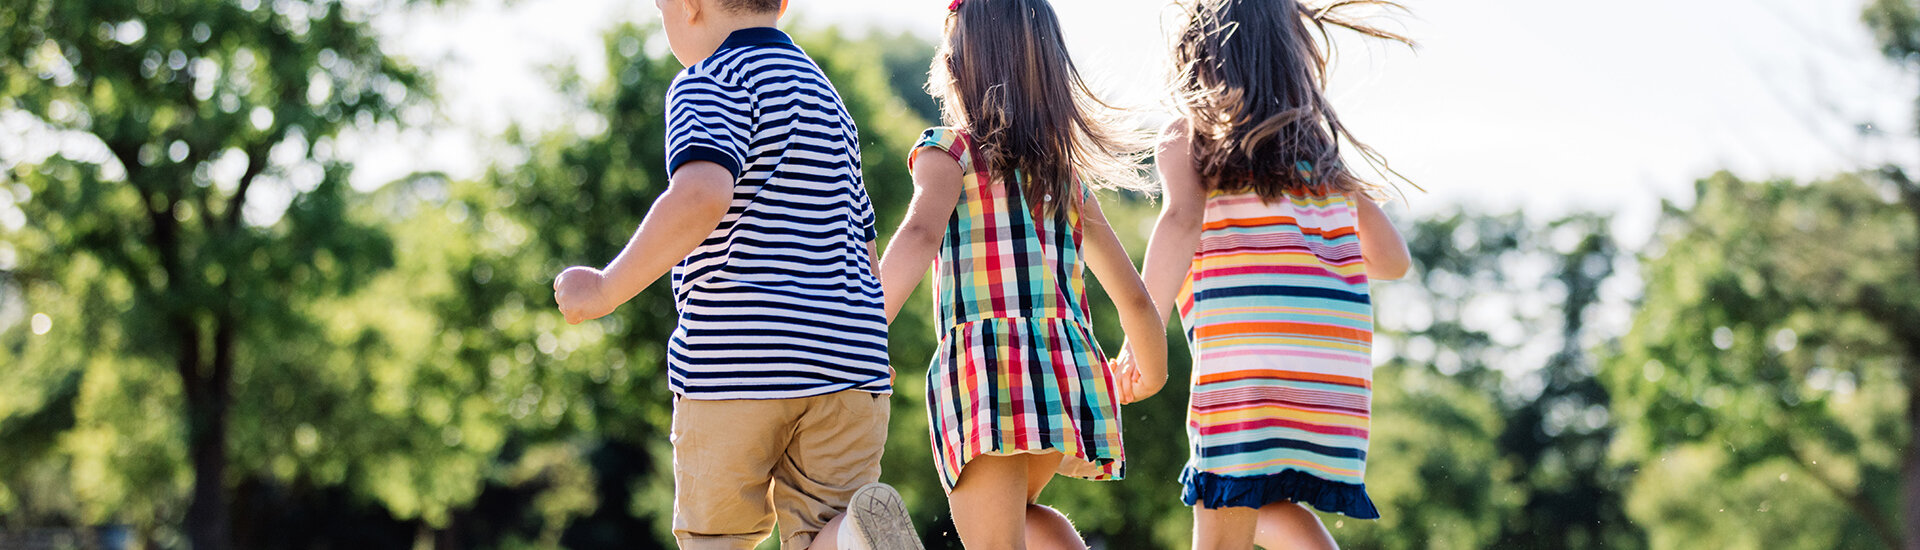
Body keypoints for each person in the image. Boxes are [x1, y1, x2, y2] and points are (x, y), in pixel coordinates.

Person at [551, 0, 919, 548]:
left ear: (688, 5)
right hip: (850, 364)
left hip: (737, 359)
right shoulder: (826, 97)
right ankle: (850, 536)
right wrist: (865, 340)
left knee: (714, 536)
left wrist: (605, 288)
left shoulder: (709, 79)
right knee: (823, 528)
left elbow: (701, 194)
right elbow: (859, 235)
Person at [1115, 0, 1415, 548]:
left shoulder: (1191, 137)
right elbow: (1393, 260)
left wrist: (1142, 334)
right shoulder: (1319, 157)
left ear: (1200, 59)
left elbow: (1180, 222)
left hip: (1246, 368)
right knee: (1268, 498)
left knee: (1224, 499)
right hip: (1332, 375)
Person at [874, 0, 1170, 548]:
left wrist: (861, 335)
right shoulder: (1062, 178)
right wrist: (1150, 370)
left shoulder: (949, 152)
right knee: (1027, 516)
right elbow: (1132, 298)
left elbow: (918, 236)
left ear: (956, 67)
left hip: (985, 377)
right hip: (1062, 375)